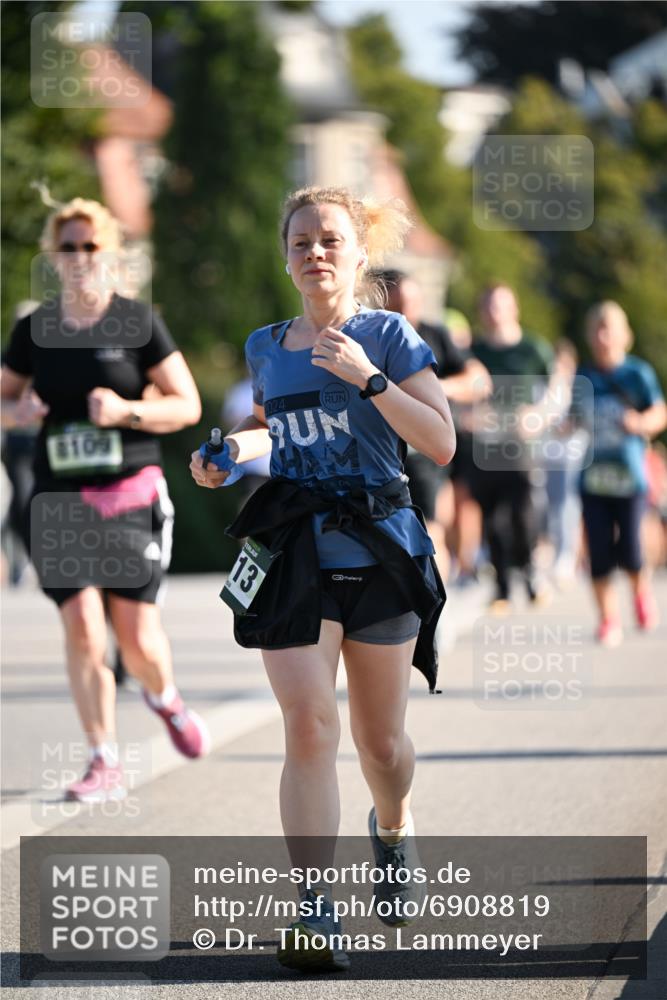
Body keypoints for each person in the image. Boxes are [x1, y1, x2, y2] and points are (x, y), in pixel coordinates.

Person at [190, 185, 455, 972]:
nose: (315, 253)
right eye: (301, 241)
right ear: (285, 256)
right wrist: (225, 457)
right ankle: (313, 910)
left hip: (379, 550)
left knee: (381, 744)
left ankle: (395, 824)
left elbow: (439, 443)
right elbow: (270, 430)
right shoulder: (267, 344)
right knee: (308, 725)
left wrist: (372, 379)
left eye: (330, 240)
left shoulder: (390, 335)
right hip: (296, 551)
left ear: (358, 253)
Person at [1, 197, 210, 803]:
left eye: (90, 246)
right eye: (67, 247)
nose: (79, 257)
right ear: (53, 257)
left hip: (130, 494)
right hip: (59, 498)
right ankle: (103, 758)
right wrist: (20, 411)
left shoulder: (138, 323)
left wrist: (128, 411)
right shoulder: (32, 329)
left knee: (137, 638)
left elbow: (187, 405)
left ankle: (164, 697)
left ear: (110, 252)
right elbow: (4, 399)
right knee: (85, 631)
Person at [378, 269, 490, 582]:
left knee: (430, 527)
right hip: (382, 449)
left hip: (426, 448)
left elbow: (479, 379)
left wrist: (435, 388)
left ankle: (433, 606)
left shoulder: (434, 334)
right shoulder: (371, 336)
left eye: (411, 303)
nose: (405, 312)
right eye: (397, 305)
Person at [575, 301, 666, 646]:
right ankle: (608, 620)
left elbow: (659, 412)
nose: (602, 336)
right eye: (597, 329)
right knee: (598, 552)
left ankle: (641, 593)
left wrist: (640, 423)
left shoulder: (637, 374)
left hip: (630, 478)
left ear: (623, 335)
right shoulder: (583, 376)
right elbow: (571, 418)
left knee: (630, 549)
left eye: (609, 329)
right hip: (593, 478)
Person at [469, 284, 554, 613]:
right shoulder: (474, 350)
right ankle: (502, 585)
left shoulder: (534, 348)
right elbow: (460, 387)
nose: (494, 312)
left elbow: (556, 392)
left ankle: (530, 570)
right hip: (485, 446)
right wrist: (470, 414)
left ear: (514, 308)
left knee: (523, 511)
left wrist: (538, 415)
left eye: (500, 305)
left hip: (521, 444)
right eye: (488, 306)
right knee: (492, 516)